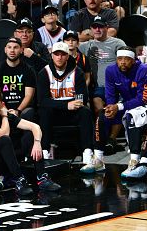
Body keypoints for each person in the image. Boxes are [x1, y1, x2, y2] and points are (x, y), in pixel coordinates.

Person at [0, 89, 60, 192]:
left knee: (31, 134)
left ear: (2, 104)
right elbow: (3, 134)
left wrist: (37, 143)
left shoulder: (6, 116)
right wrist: (4, 116)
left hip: (5, 160)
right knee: (5, 140)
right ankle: (19, 179)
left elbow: (35, 127)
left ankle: (42, 177)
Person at [37, 42, 103, 171]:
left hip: (73, 111)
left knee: (85, 112)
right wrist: (66, 104)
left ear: (68, 56)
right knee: (44, 112)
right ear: (52, 56)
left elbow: (82, 97)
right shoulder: (44, 73)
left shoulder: (77, 72)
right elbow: (42, 101)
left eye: (63, 54)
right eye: (56, 54)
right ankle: (44, 152)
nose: (59, 57)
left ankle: (87, 152)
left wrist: (71, 104)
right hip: (54, 112)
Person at [97, 46, 147, 179]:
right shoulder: (111, 70)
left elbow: (143, 98)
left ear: (133, 60)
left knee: (133, 116)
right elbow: (110, 95)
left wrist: (118, 107)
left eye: (126, 59)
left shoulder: (143, 70)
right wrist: (110, 107)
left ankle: (134, 160)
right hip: (125, 103)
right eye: (119, 59)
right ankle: (97, 159)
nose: (123, 62)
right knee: (102, 115)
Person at [78, 16, 126, 115]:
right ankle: (99, 129)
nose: (97, 30)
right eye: (94, 27)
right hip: (97, 87)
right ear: (91, 29)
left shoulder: (117, 43)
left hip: (116, 85)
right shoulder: (87, 45)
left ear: (107, 28)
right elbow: (69, 46)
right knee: (98, 107)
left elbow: (127, 61)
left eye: (100, 27)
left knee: (114, 111)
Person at [0, 37, 37, 122]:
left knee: (29, 113)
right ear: (5, 50)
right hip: (2, 108)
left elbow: (29, 95)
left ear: (21, 50)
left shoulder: (29, 70)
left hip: (22, 109)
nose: (12, 50)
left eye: (15, 47)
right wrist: (6, 111)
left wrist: (18, 111)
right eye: (9, 47)